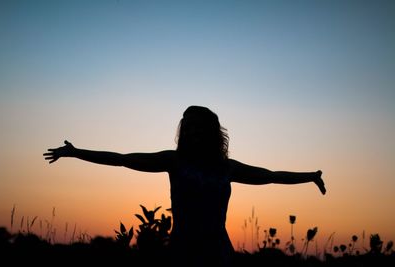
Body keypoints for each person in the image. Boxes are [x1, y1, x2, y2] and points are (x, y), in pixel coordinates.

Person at [44, 105, 326, 266]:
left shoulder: (227, 168)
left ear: (212, 133)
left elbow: (272, 175)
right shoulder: (174, 161)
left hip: (219, 254)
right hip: (182, 253)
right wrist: (77, 152)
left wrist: (310, 176)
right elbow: (121, 160)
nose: (192, 131)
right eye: (187, 126)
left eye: (198, 126)